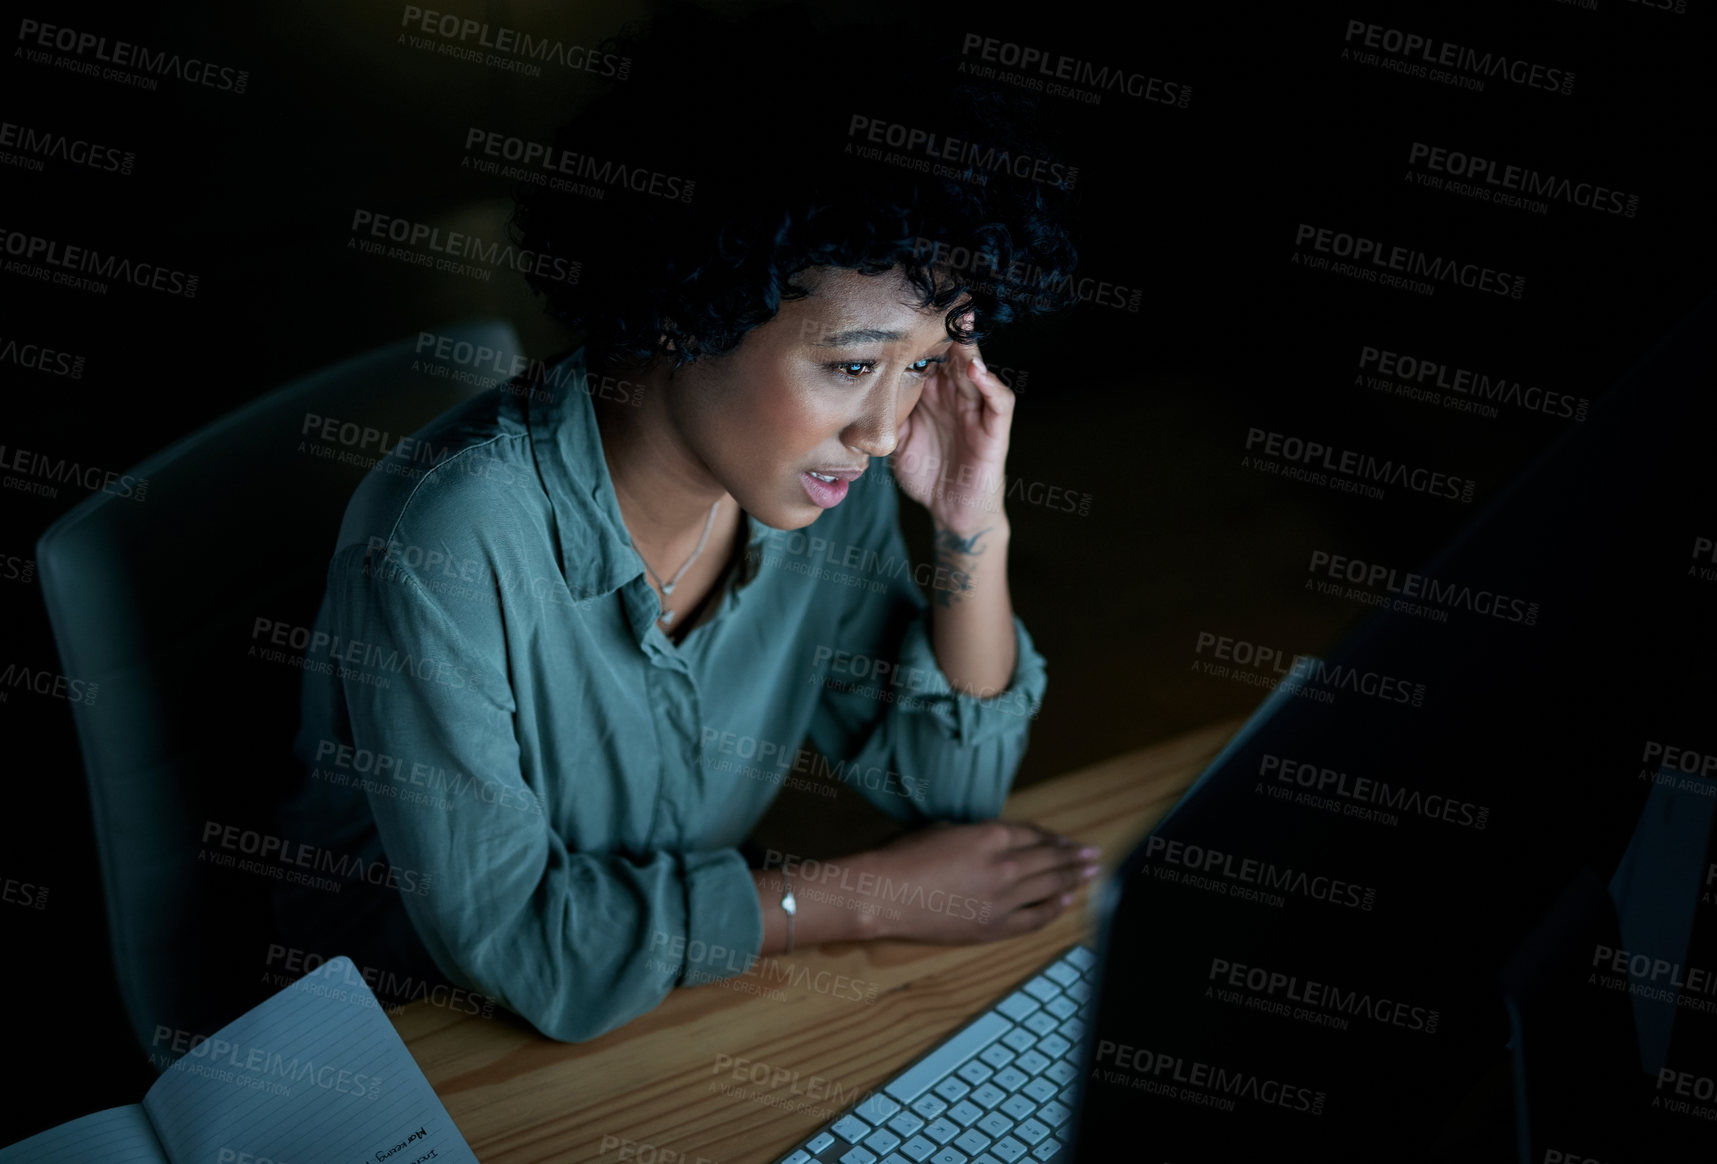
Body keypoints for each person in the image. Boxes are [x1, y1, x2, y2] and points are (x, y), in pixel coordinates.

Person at [273, 3, 1092, 1041]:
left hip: (656, 1003)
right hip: (412, 1040)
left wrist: (975, 530)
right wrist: (855, 899)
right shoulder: (451, 536)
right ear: (684, 304)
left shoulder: (823, 485)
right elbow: (526, 950)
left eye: (923, 364)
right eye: (851, 365)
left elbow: (948, 788)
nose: (886, 430)